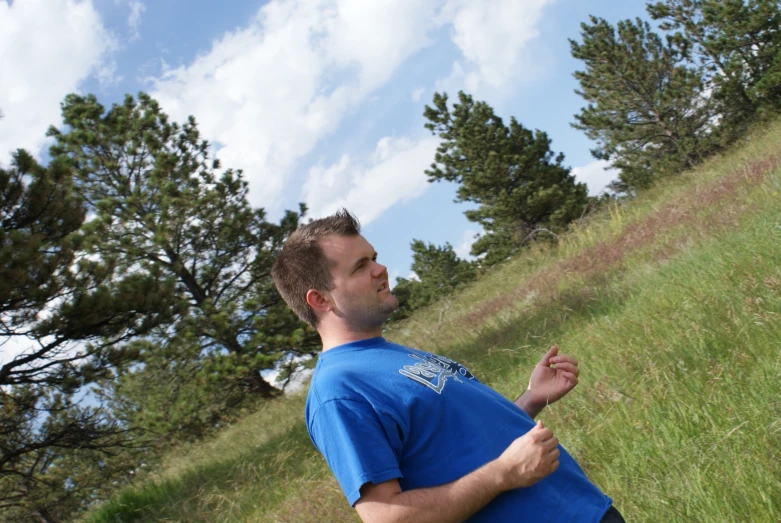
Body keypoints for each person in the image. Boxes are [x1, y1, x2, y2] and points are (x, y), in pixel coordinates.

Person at [271, 209, 624, 522]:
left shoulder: (388, 353)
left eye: (373, 257)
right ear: (320, 299)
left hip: (584, 508)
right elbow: (385, 516)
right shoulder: (339, 391)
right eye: (361, 266)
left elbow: (463, 448)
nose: (381, 269)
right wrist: (504, 473)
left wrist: (531, 398)